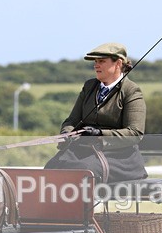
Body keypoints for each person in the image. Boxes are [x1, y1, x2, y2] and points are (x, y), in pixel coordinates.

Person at [44, 42, 146, 182]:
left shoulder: (131, 90)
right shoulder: (89, 86)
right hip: (85, 151)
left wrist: (99, 134)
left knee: (80, 172)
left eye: (102, 61)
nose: (96, 65)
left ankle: (77, 204)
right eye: (95, 61)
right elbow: (71, 121)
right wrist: (67, 133)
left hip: (119, 156)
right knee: (51, 167)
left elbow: (135, 133)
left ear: (118, 63)